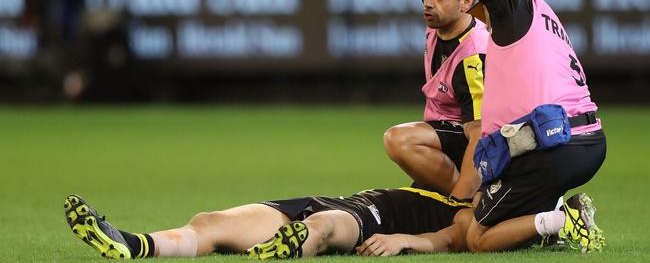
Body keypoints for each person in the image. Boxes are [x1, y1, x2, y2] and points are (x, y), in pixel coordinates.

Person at [415, 0, 607, 253]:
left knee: (478, 238)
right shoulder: (544, 18)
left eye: (482, 2)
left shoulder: (512, 7)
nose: (478, 12)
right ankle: (548, 222)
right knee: (494, 215)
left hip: (555, 148)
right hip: (584, 139)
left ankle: (565, 220)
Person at [362, 0, 488, 202]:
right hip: (446, 138)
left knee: (399, 140)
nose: (429, 2)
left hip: (477, 150)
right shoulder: (442, 16)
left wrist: (460, 198)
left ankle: (480, 203)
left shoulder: (474, 56)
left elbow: (481, 133)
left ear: (466, 2)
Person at [64, 187, 472, 259]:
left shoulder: (478, 204)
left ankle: (287, 247)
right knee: (211, 222)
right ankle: (134, 245)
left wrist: (406, 240)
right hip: (329, 199)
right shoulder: (456, 174)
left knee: (326, 227)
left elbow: (457, 237)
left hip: (369, 219)